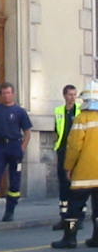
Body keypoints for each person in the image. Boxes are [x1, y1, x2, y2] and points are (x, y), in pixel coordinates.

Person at [52, 81, 98, 249]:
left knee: (74, 209)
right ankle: (97, 238)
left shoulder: (81, 118)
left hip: (84, 173)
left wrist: (68, 167)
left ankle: (70, 238)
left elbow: (74, 147)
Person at [0, 82, 32, 223]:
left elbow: (27, 132)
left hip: (14, 147)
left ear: (13, 94)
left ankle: (10, 211)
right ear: (0, 95)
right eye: (4, 93)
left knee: (14, 182)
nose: (6, 95)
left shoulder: (20, 112)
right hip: (0, 148)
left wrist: (22, 148)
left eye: (8, 93)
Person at [52, 84, 81, 230]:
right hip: (63, 150)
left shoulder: (80, 111)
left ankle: (78, 218)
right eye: (70, 95)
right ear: (64, 95)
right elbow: (57, 130)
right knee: (63, 185)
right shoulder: (58, 111)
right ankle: (64, 218)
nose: (72, 98)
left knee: (76, 186)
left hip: (77, 152)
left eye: (74, 95)